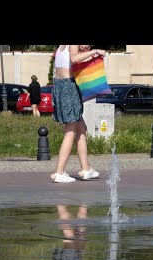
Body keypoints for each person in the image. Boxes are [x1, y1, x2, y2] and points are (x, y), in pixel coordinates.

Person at [50, 45, 105, 183]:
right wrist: (95, 51)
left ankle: (86, 169)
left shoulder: (63, 46)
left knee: (81, 128)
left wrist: (87, 54)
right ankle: (59, 172)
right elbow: (74, 59)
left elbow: (70, 62)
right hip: (69, 88)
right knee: (70, 130)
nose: (87, 46)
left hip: (61, 86)